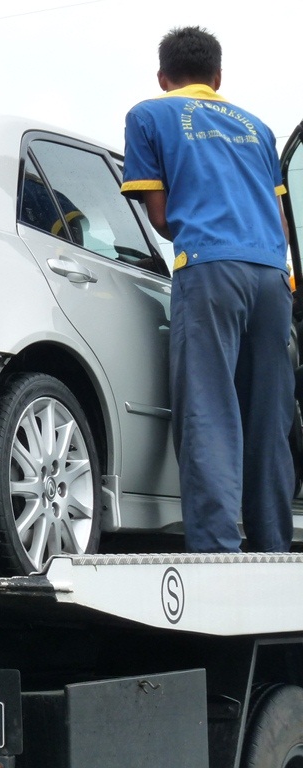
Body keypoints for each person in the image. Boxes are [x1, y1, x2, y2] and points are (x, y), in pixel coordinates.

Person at [121, 25, 293, 553]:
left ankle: (218, 550)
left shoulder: (148, 115)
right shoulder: (258, 128)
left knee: (209, 411)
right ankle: (273, 548)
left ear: (162, 77)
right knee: (269, 420)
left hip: (210, 268)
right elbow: (282, 222)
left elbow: (160, 217)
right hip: (272, 276)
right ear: (218, 77)